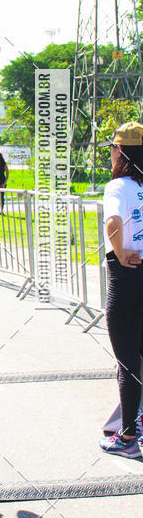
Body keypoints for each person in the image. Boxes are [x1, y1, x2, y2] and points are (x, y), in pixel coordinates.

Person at [98, 122, 143, 459]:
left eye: (114, 147)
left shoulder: (118, 186)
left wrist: (118, 249)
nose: (111, 151)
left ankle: (127, 437)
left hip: (126, 279)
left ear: (123, 153)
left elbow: (113, 223)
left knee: (127, 363)